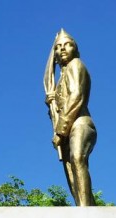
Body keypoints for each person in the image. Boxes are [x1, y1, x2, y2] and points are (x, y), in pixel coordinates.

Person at [44, 29, 97, 207]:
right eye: (58, 47)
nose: (63, 49)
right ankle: (87, 206)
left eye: (67, 45)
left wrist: (60, 130)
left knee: (77, 159)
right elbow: (64, 101)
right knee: (72, 174)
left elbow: (76, 97)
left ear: (75, 48)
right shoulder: (61, 77)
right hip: (68, 128)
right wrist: (52, 100)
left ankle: (85, 210)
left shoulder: (76, 64)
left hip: (80, 123)